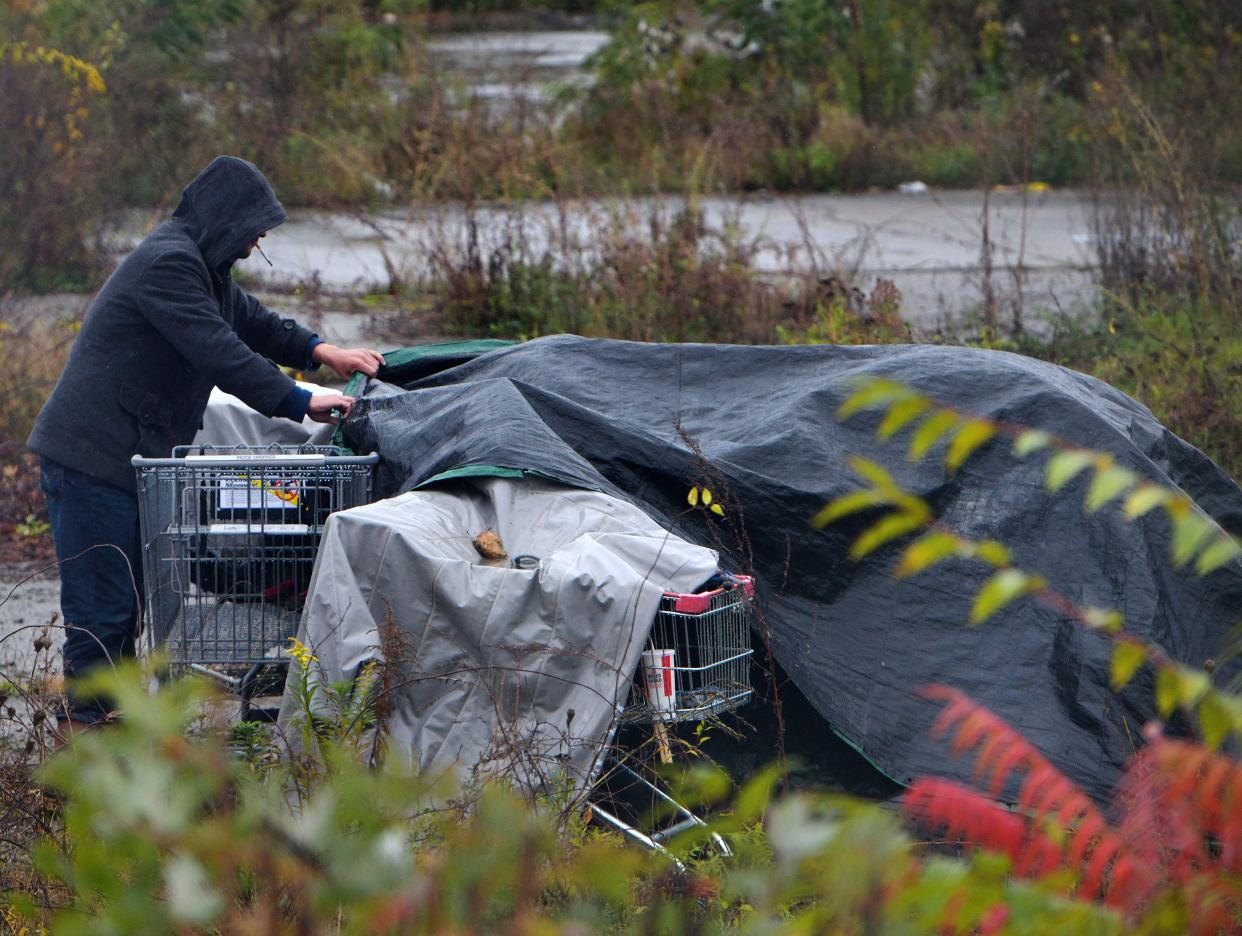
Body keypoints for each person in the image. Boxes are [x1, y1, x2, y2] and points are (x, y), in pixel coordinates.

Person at [27, 155, 385, 732]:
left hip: (125, 462)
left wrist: (324, 352)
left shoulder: (200, 268)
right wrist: (300, 400)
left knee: (126, 612)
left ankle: (109, 750)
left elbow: (256, 323)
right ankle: (86, 762)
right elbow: (218, 349)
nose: (256, 242)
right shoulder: (167, 266)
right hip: (90, 462)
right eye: (252, 231)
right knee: (103, 616)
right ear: (224, 220)